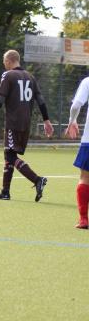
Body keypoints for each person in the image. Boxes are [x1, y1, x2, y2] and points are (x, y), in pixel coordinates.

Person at [0, 50, 54, 201]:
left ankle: (37, 179)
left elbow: (0, 100)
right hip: (26, 123)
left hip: (13, 123)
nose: (3, 64)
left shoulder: (8, 75)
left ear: (8, 61)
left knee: (10, 155)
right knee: (9, 154)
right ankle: (5, 191)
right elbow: (41, 101)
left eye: (3, 61)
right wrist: (46, 120)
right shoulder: (31, 77)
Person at [65, 76, 89, 229]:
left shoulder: (87, 81)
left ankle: (83, 219)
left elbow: (76, 105)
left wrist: (72, 120)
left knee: (85, 177)